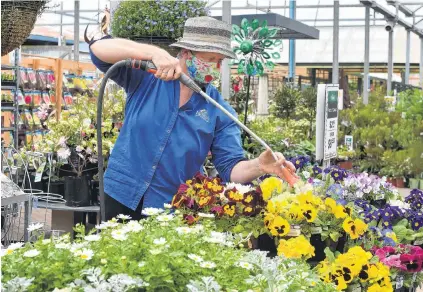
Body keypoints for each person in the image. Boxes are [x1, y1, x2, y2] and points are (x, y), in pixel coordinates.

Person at [89, 16, 295, 221]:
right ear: (187, 54)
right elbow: (99, 50)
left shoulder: (218, 110)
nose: (216, 67)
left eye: (220, 61)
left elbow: (230, 168)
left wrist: (259, 165)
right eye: (211, 59)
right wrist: (155, 53)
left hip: (169, 206)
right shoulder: (147, 78)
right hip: (121, 193)